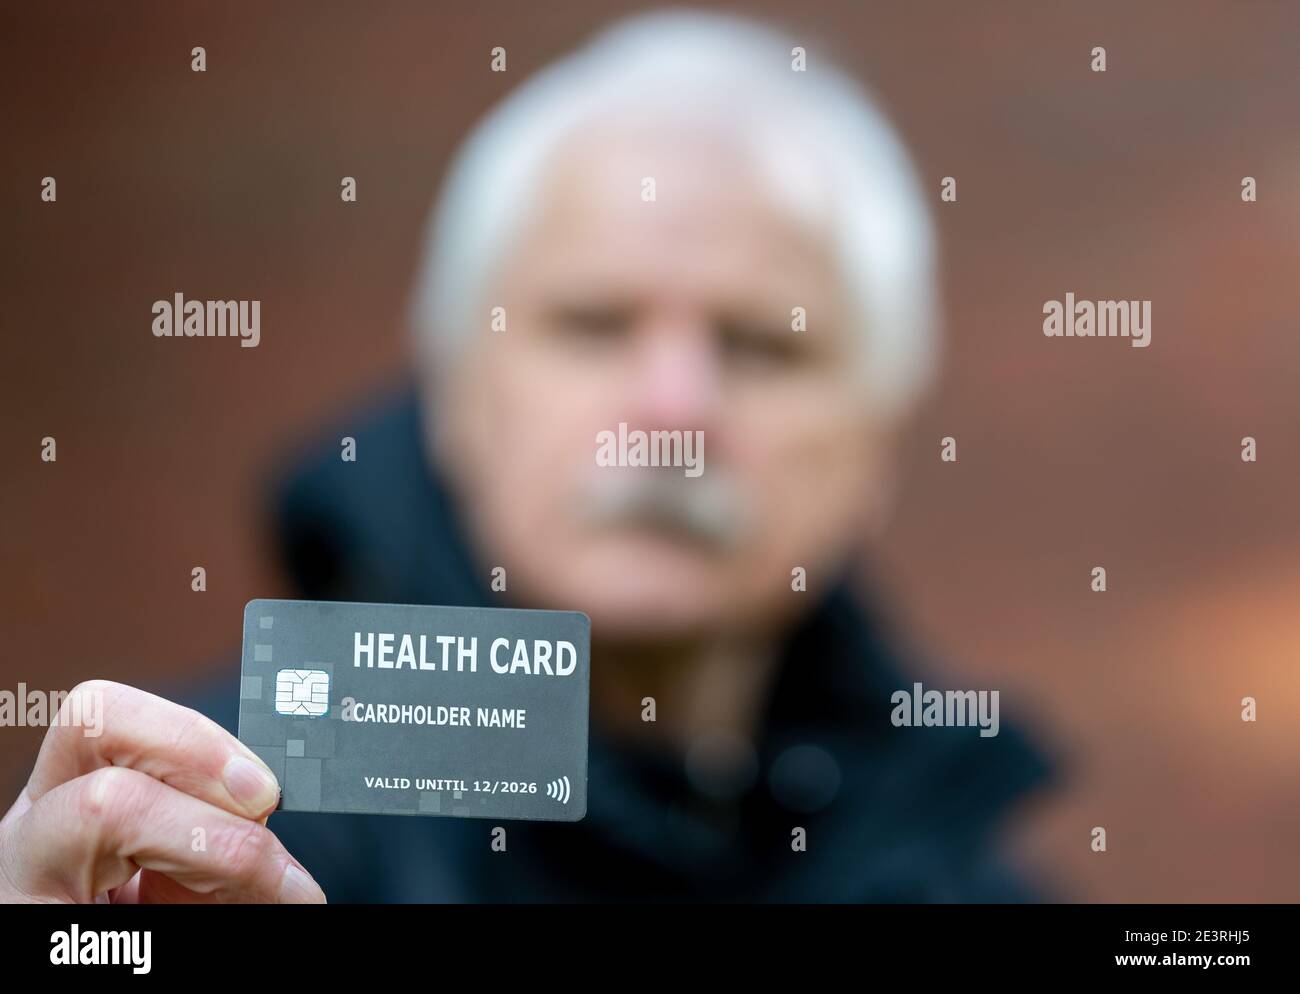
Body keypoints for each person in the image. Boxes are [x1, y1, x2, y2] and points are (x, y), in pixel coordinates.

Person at [0, 10, 1050, 903]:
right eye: (593, 325)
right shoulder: (186, 842)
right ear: (454, 391)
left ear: (876, 444)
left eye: (762, 345)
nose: (673, 408)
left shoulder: (965, 875)